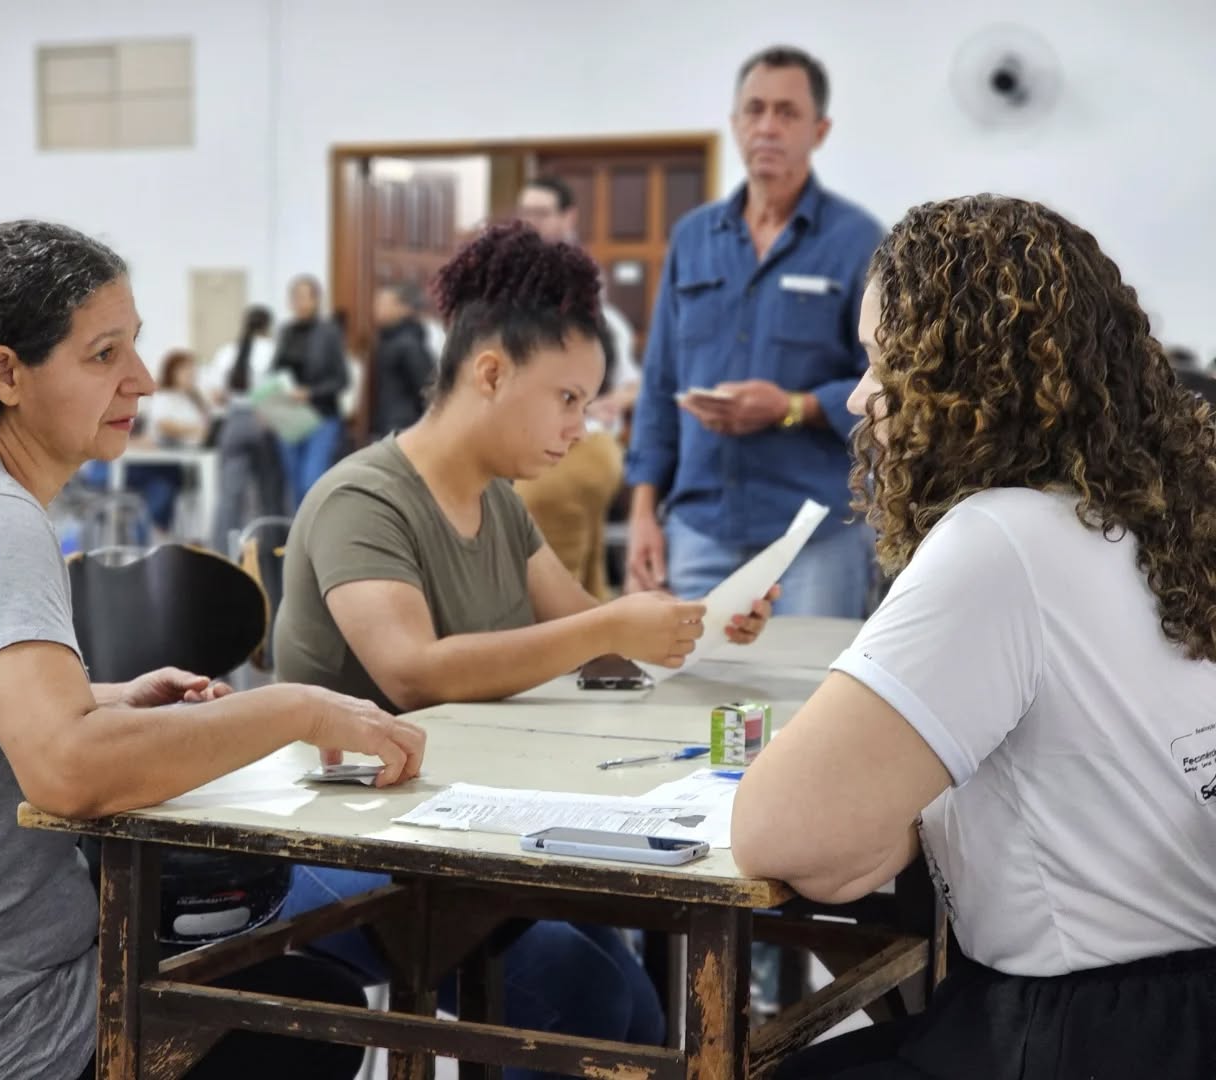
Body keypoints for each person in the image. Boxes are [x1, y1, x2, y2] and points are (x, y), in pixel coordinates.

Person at [0, 220, 427, 1080]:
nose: (143, 380)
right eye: (103, 354)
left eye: (135, 346)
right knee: (320, 1015)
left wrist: (102, 700)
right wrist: (295, 708)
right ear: (7, 374)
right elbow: (68, 773)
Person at [273, 222, 775, 1080]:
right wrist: (611, 628)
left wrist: (698, 623)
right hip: (341, 843)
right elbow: (412, 673)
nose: (581, 427)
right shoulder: (362, 499)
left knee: (637, 999)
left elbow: (592, 639)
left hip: (464, 827)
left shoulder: (499, 504)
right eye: (567, 398)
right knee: (586, 997)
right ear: (491, 373)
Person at [732, 195, 1216, 1079]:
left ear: (964, 381)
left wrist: (889, 815)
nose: (859, 397)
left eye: (884, 363)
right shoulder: (1156, 520)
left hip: (1089, 1033)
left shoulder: (1003, 538)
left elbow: (779, 836)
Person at [625, 45, 885, 614]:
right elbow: (660, 384)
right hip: (699, 526)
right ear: (735, 122)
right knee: (693, 671)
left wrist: (792, 407)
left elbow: (889, 383)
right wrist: (643, 512)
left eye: (787, 113)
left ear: (820, 130)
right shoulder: (692, 238)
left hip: (815, 534)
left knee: (815, 674)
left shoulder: (858, 241)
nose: (768, 127)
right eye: (755, 109)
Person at [514, 176, 640, 597]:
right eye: (525, 212)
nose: (531, 222)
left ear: (568, 218)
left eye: (541, 213)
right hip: (543, 450)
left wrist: (600, 403)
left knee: (552, 586)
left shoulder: (591, 312)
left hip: (571, 453)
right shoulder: (512, 301)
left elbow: (631, 383)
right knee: (585, 577)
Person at [212, 304, 287, 546]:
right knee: (270, 495)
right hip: (265, 422)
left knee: (229, 497)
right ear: (268, 326)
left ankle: (221, 553)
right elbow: (283, 392)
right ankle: (273, 555)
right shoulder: (274, 350)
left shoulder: (227, 352)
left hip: (234, 423)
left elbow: (217, 396)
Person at [272, 275, 349, 508]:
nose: (300, 303)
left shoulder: (329, 332)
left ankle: (315, 530)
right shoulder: (285, 332)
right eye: (295, 297)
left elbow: (342, 380)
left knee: (311, 482)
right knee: (295, 484)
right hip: (289, 416)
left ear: (316, 300)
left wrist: (310, 393)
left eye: (305, 297)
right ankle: (298, 530)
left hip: (321, 416)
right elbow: (275, 372)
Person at [125, 347, 209, 536]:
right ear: (173, 372)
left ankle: (192, 536)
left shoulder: (194, 400)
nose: (191, 375)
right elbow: (164, 425)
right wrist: (195, 430)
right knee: (162, 490)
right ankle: (154, 531)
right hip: (157, 464)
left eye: (193, 370)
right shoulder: (164, 397)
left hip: (186, 464)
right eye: (186, 370)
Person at [368, 281, 437, 438]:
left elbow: (427, 389)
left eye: (383, 303)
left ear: (404, 308)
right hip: (386, 426)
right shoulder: (388, 339)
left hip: (402, 428)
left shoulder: (409, 344)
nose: (376, 308)